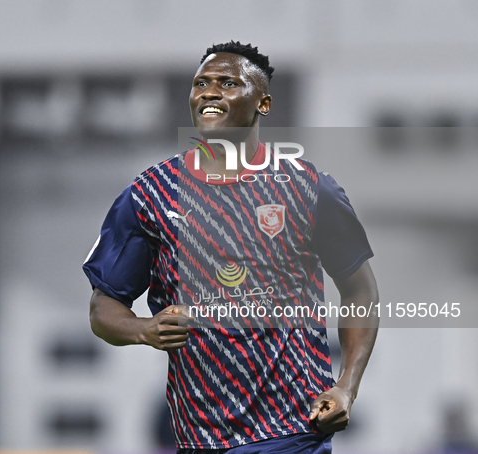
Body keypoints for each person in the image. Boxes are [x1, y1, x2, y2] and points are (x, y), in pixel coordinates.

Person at [83, 41, 379, 453]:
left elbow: (360, 290)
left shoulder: (310, 188)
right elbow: (103, 307)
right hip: (199, 436)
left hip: (292, 431)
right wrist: (143, 329)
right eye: (200, 83)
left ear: (263, 103)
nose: (208, 91)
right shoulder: (150, 195)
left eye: (227, 82)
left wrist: (346, 386)